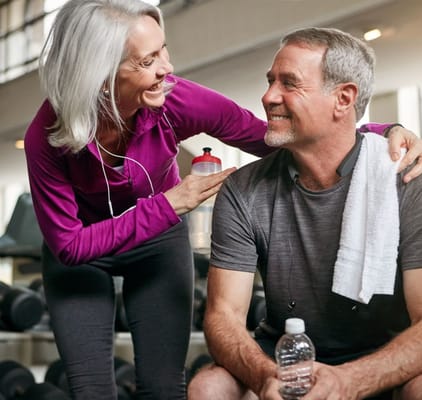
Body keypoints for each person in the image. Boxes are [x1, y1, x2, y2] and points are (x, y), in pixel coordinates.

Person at [23, 0, 421, 397]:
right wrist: (171, 204)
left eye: (162, 49)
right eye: (146, 61)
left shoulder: (176, 99)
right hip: (85, 247)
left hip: (155, 243)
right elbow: (69, 245)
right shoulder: (47, 134)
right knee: (91, 390)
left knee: (164, 388)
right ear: (104, 77)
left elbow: (271, 137)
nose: (167, 68)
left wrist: (379, 135)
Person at [187, 27, 422, 400]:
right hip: (283, 356)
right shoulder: (244, 189)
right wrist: (266, 376)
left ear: (343, 99)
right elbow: (222, 317)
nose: (268, 97)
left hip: (380, 358)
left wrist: (349, 381)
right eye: (270, 81)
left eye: (289, 84)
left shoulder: (406, 179)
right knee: (209, 386)